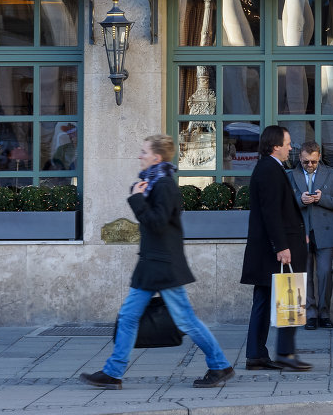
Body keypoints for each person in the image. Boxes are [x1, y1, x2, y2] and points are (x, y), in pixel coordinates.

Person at [81, 134, 233, 390]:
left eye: (143, 151)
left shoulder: (163, 185)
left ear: (156, 157)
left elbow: (158, 223)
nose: (139, 155)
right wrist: (139, 196)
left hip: (163, 266)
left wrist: (136, 199)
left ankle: (219, 364)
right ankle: (113, 372)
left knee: (185, 321)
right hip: (153, 263)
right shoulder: (152, 183)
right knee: (129, 316)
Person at [241, 125, 312, 371]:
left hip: (269, 250)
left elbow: (279, 211)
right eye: (288, 143)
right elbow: (271, 213)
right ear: (276, 146)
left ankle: (257, 354)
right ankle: (284, 353)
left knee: (264, 300)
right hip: (275, 252)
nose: (291, 148)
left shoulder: (269, 168)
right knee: (288, 297)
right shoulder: (270, 170)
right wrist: (282, 246)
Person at [287, 141, 333, 330]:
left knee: (325, 273)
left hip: (325, 232)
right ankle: (310, 314)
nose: (309, 165)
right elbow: (284, 205)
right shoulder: (291, 175)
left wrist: (322, 199)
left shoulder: (332, 174)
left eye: (313, 161)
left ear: (319, 157)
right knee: (305, 274)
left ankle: (324, 313)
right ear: (300, 158)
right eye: (305, 162)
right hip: (300, 233)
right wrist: (300, 200)